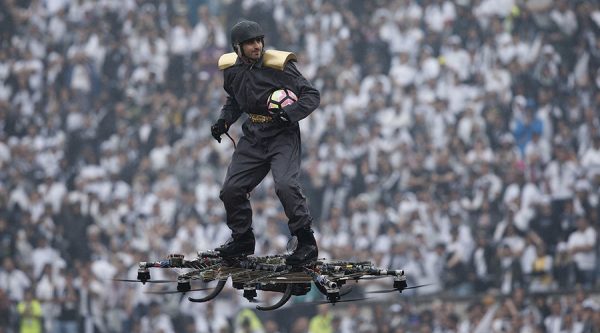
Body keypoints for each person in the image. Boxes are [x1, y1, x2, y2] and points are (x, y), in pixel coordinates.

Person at [211, 20, 320, 266]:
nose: (257, 46)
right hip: (253, 136)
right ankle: (242, 240)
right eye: (250, 42)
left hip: (283, 135)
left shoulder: (280, 66)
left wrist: (289, 114)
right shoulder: (231, 70)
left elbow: (311, 95)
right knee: (231, 190)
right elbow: (235, 100)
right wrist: (224, 121)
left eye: (259, 40)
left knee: (284, 185)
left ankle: (306, 243)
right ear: (237, 47)